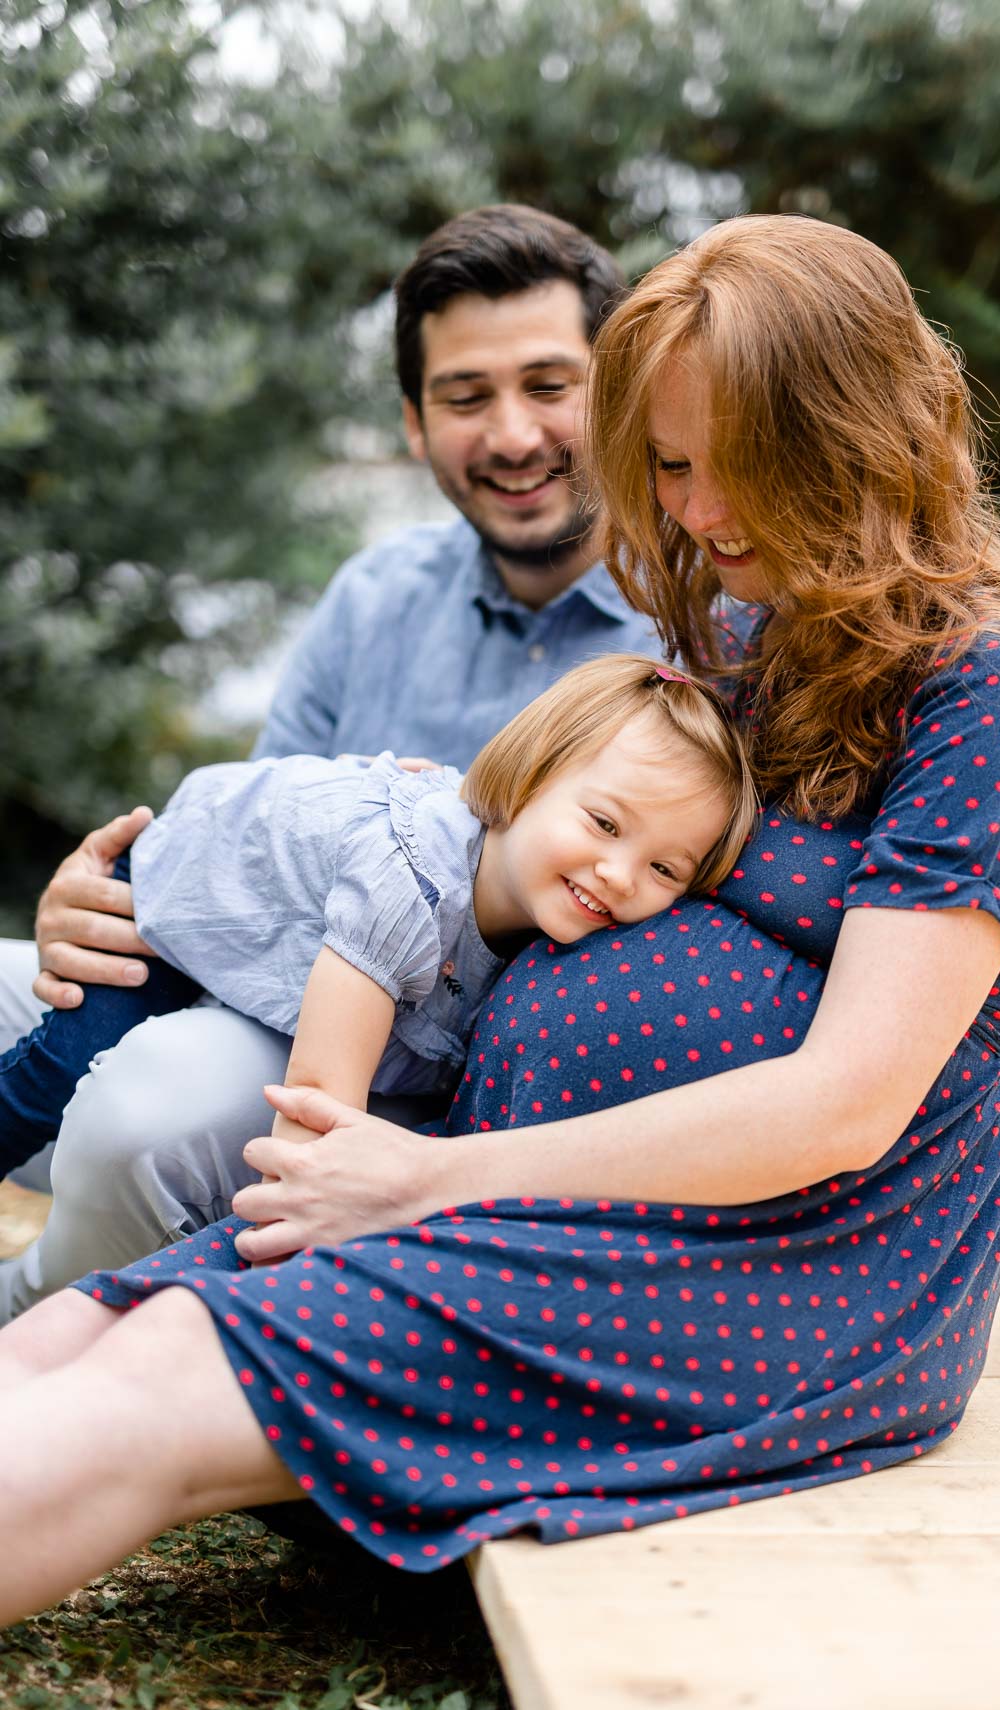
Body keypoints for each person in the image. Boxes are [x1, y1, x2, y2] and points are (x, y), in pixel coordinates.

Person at [0, 213, 1000, 1620]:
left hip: (778, 1257)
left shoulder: (986, 684)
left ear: (859, 435)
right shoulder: (753, 627)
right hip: (537, 1179)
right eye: (669, 464)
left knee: (157, 1380)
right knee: (87, 1334)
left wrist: (427, 1183)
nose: (699, 514)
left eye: (737, 467)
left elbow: (848, 1101)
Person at [0, 204, 665, 1317]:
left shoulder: (695, 637)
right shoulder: (376, 597)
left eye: (551, 386)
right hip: (249, 979)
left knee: (142, 1115)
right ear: (414, 423)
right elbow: (262, 828)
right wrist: (104, 898)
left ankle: (27, 1322)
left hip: (405, 1082)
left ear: (621, 393)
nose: (510, 435)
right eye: (465, 396)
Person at [0, 657, 754, 1178]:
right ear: (527, 779)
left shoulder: (543, 931)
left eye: (665, 869)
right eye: (604, 823)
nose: (620, 876)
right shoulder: (414, 883)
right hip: (205, 891)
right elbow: (317, 1104)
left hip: (293, 934)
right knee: (63, 1071)